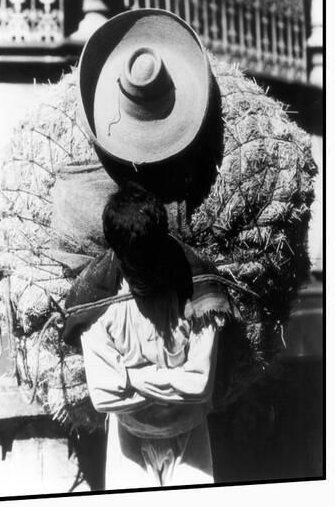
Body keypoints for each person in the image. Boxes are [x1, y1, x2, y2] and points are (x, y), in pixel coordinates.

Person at [64, 182, 237, 489]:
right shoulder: (97, 301)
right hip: (128, 440)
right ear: (118, 255)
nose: (146, 275)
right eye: (135, 267)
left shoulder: (198, 291)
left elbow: (199, 385)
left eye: (152, 262)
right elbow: (103, 396)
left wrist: (129, 378)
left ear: (163, 246)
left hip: (190, 437)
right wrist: (174, 379)